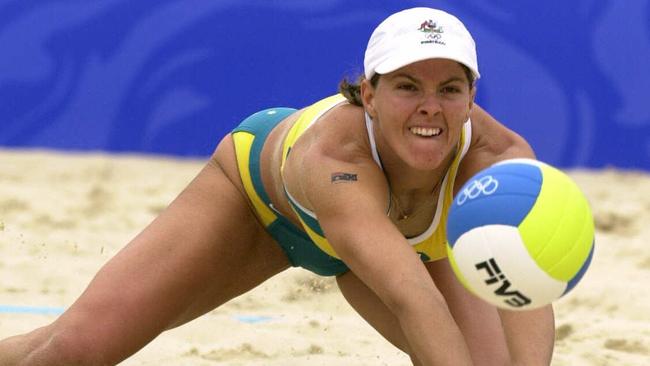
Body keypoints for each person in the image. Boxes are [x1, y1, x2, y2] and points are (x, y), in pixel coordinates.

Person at [0, 7, 555, 366]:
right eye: (407, 86)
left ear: (472, 95)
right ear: (368, 93)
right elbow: (415, 302)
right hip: (259, 207)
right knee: (73, 350)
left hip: (391, 246)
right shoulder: (335, 157)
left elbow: (524, 290)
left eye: (449, 88)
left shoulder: (501, 161)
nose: (430, 106)